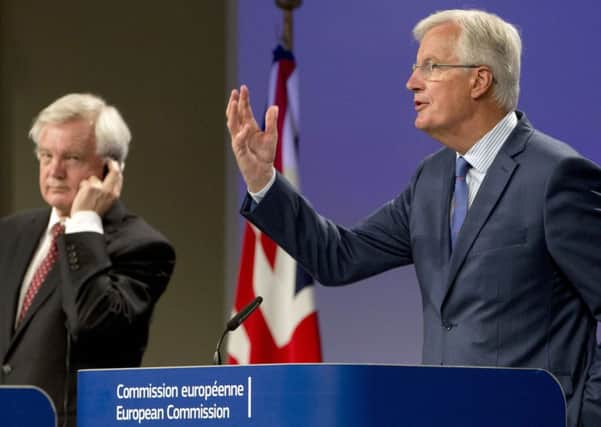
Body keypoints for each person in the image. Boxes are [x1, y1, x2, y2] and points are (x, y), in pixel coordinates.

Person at [227, 9, 601, 427]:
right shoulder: (432, 179)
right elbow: (339, 256)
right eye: (415, 67)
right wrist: (264, 181)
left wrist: (582, 417)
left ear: (479, 80)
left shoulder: (556, 176)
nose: (412, 82)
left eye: (431, 66)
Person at [0, 93, 175, 427]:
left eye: (72, 158)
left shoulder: (144, 247)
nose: (54, 170)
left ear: (110, 169)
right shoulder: (10, 234)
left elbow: (93, 323)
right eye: (46, 155)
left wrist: (82, 224)